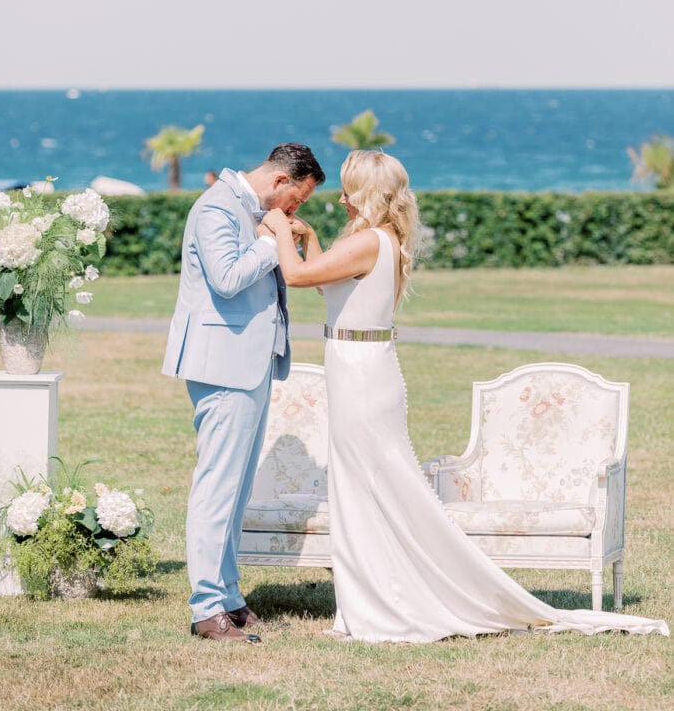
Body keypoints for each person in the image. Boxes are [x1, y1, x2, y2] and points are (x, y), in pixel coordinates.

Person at [262, 150, 669, 643]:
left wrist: (280, 230)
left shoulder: (371, 240)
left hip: (362, 376)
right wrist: (311, 239)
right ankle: (366, 598)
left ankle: (384, 601)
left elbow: (298, 277)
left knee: (372, 487)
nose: (342, 198)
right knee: (361, 490)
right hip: (358, 369)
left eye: (349, 189)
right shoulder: (376, 240)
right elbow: (330, 291)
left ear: (367, 194)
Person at [162, 143, 325, 643]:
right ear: (279, 182)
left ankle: (229, 597)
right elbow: (228, 279)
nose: (294, 212)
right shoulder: (215, 206)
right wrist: (272, 239)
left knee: (235, 490)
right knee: (216, 487)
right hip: (222, 365)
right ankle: (205, 607)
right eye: (295, 201)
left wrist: (275, 232)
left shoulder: (253, 210)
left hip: (251, 363)